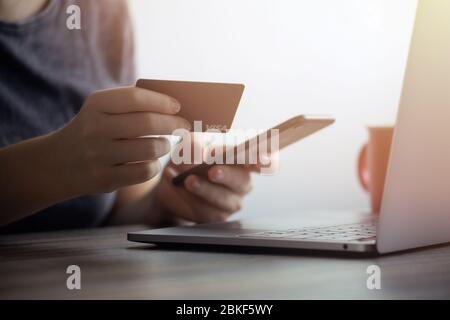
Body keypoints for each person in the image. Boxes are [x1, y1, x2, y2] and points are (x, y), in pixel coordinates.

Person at [0, 0, 256, 233]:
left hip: (93, 278)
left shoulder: (102, 9)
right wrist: (54, 166)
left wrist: (164, 204)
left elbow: (118, 207)